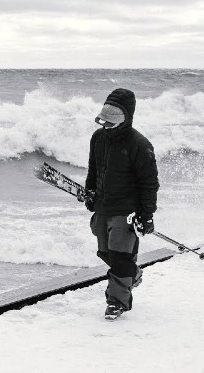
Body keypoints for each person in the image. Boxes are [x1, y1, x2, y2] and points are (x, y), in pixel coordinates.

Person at [84, 88, 159, 321]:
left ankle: (116, 302)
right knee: (105, 252)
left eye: (111, 122)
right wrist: (90, 193)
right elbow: (93, 169)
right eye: (104, 121)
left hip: (127, 211)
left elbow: (150, 184)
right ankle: (132, 273)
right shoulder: (98, 138)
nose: (106, 126)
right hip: (104, 206)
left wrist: (146, 215)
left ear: (125, 119)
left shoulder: (140, 145)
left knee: (119, 257)